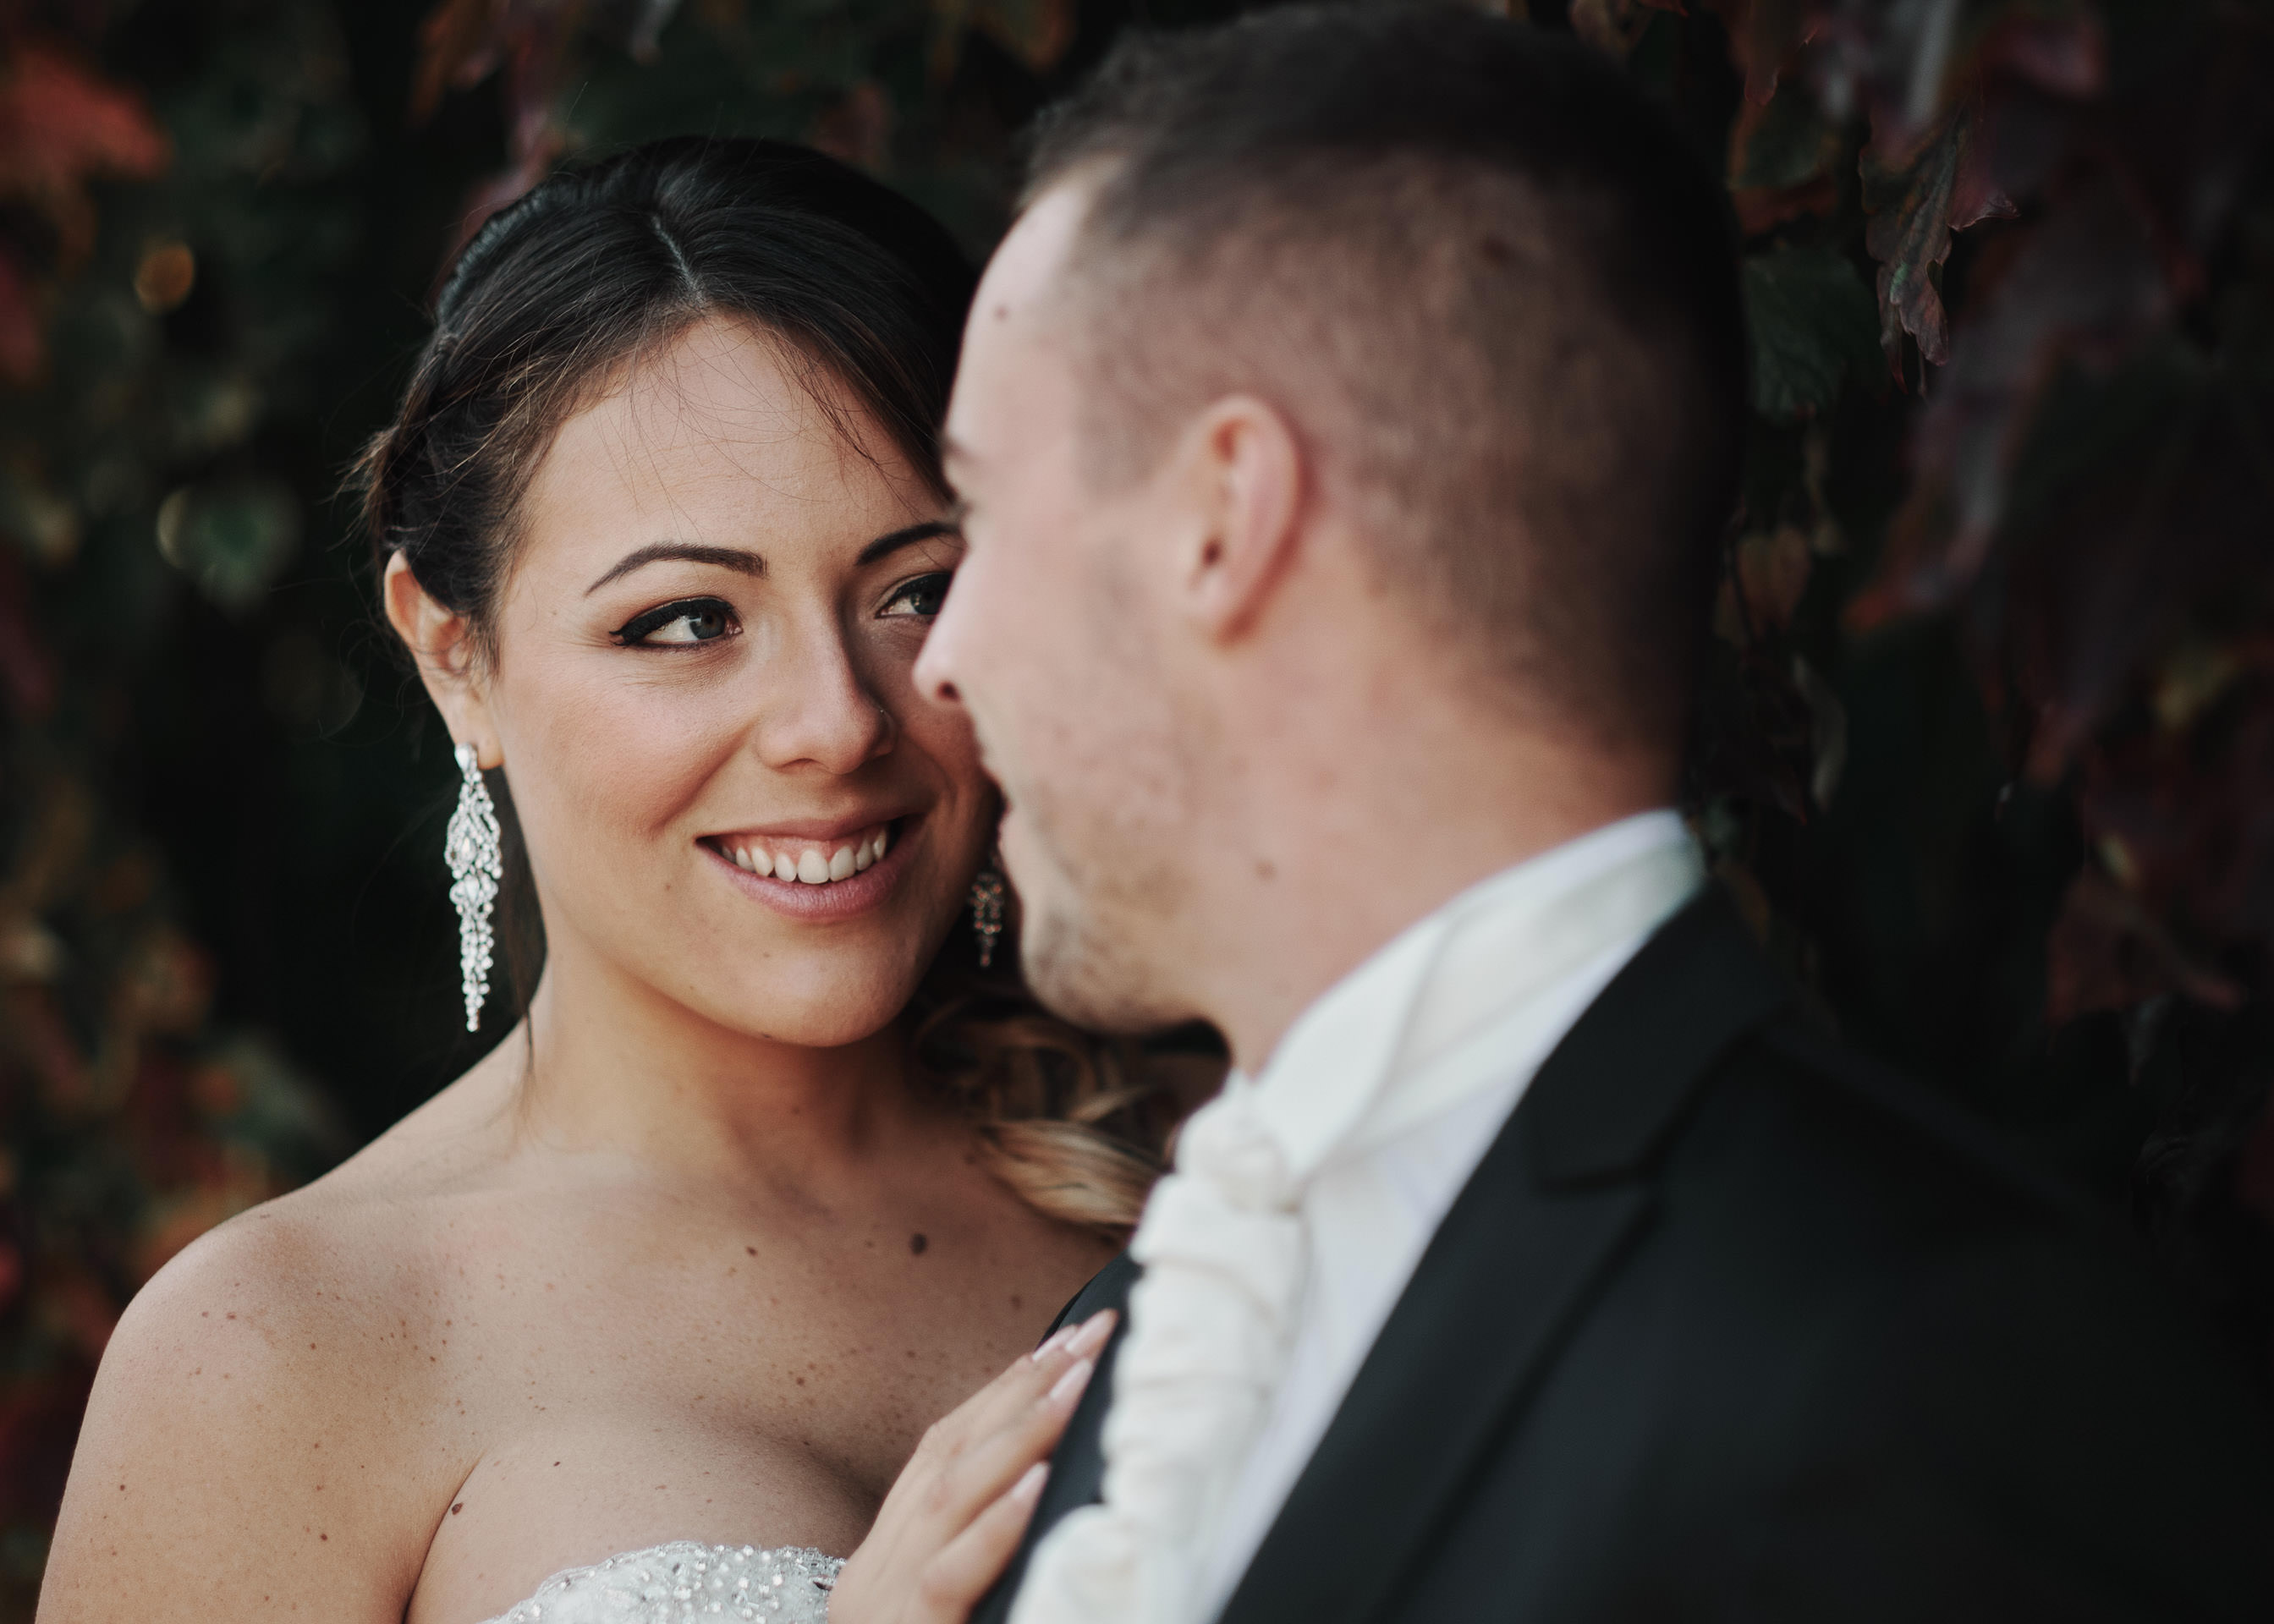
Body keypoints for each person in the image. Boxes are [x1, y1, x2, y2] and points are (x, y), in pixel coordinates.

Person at [916, 9, 2274, 1622]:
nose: (942, 662)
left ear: (1224, 518)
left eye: (985, 516)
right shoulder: (1157, 1329)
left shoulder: (1927, 1373)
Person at [35, 138, 1186, 1624]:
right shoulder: (282, 1349)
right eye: (687, 619)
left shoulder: (1208, 1166)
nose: (836, 721)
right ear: (458, 659)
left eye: (917, 590)